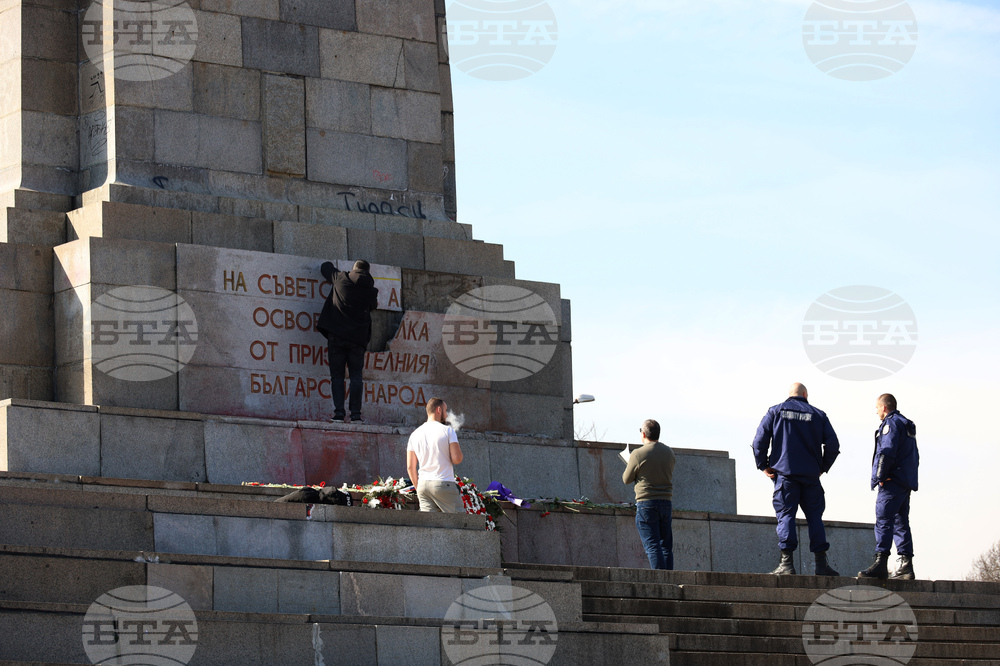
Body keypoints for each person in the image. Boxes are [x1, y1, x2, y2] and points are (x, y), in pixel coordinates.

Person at [752, 383, 840, 576]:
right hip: (810, 477)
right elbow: (833, 445)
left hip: (785, 476)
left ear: (789, 395)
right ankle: (821, 565)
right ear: (805, 394)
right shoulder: (818, 415)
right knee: (815, 518)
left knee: (786, 516)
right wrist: (822, 468)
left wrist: (763, 465)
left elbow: (759, 441)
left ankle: (787, 564)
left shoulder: (775, 411)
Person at [858, 393, 919, 580]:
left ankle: (880, 563)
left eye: (877, 408)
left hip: (892, 482)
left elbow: (886, 451)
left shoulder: (891, 424)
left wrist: (881, 476)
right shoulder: (906, 424)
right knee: (901, 521)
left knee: (884, 520)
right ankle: (906, 565)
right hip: (904, 481)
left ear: (884, 407)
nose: (876, 412)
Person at [317, 260, 379, 423]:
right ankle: (356, 415)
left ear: (354, 269)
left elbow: (325, 268)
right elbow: (372, 306)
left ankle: (339, 413)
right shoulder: (371, 291)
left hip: (336, 337)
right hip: (357, 340)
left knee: (337, 376)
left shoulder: (340, 278)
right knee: (356, 377)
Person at [623, 419, 676, 570]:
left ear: (644, 433)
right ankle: (669, 580)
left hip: (647, 503)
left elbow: (626, 479)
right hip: (666, 502)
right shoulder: (669, 452)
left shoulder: (638, 454)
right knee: (666, 546)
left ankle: (660, 582)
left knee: (652, 546)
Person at [406, 398, 465, 512]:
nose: (447, 415)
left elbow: (410, 467)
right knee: (461, 523)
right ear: (439, 410)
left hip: (423, 486)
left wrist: (418, 488)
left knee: (430, 526)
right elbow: (457, 459)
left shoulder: (415, 434)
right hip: (443, 483)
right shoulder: (447, 431)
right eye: (445, 410)